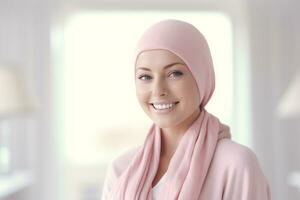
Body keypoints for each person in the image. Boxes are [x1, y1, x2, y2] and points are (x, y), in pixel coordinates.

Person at [101, 19, 271, 200]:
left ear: (202, 77)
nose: (158, 90)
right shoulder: (121, 169)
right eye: (145, 76)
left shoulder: (236, 164)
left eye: (174, 74)